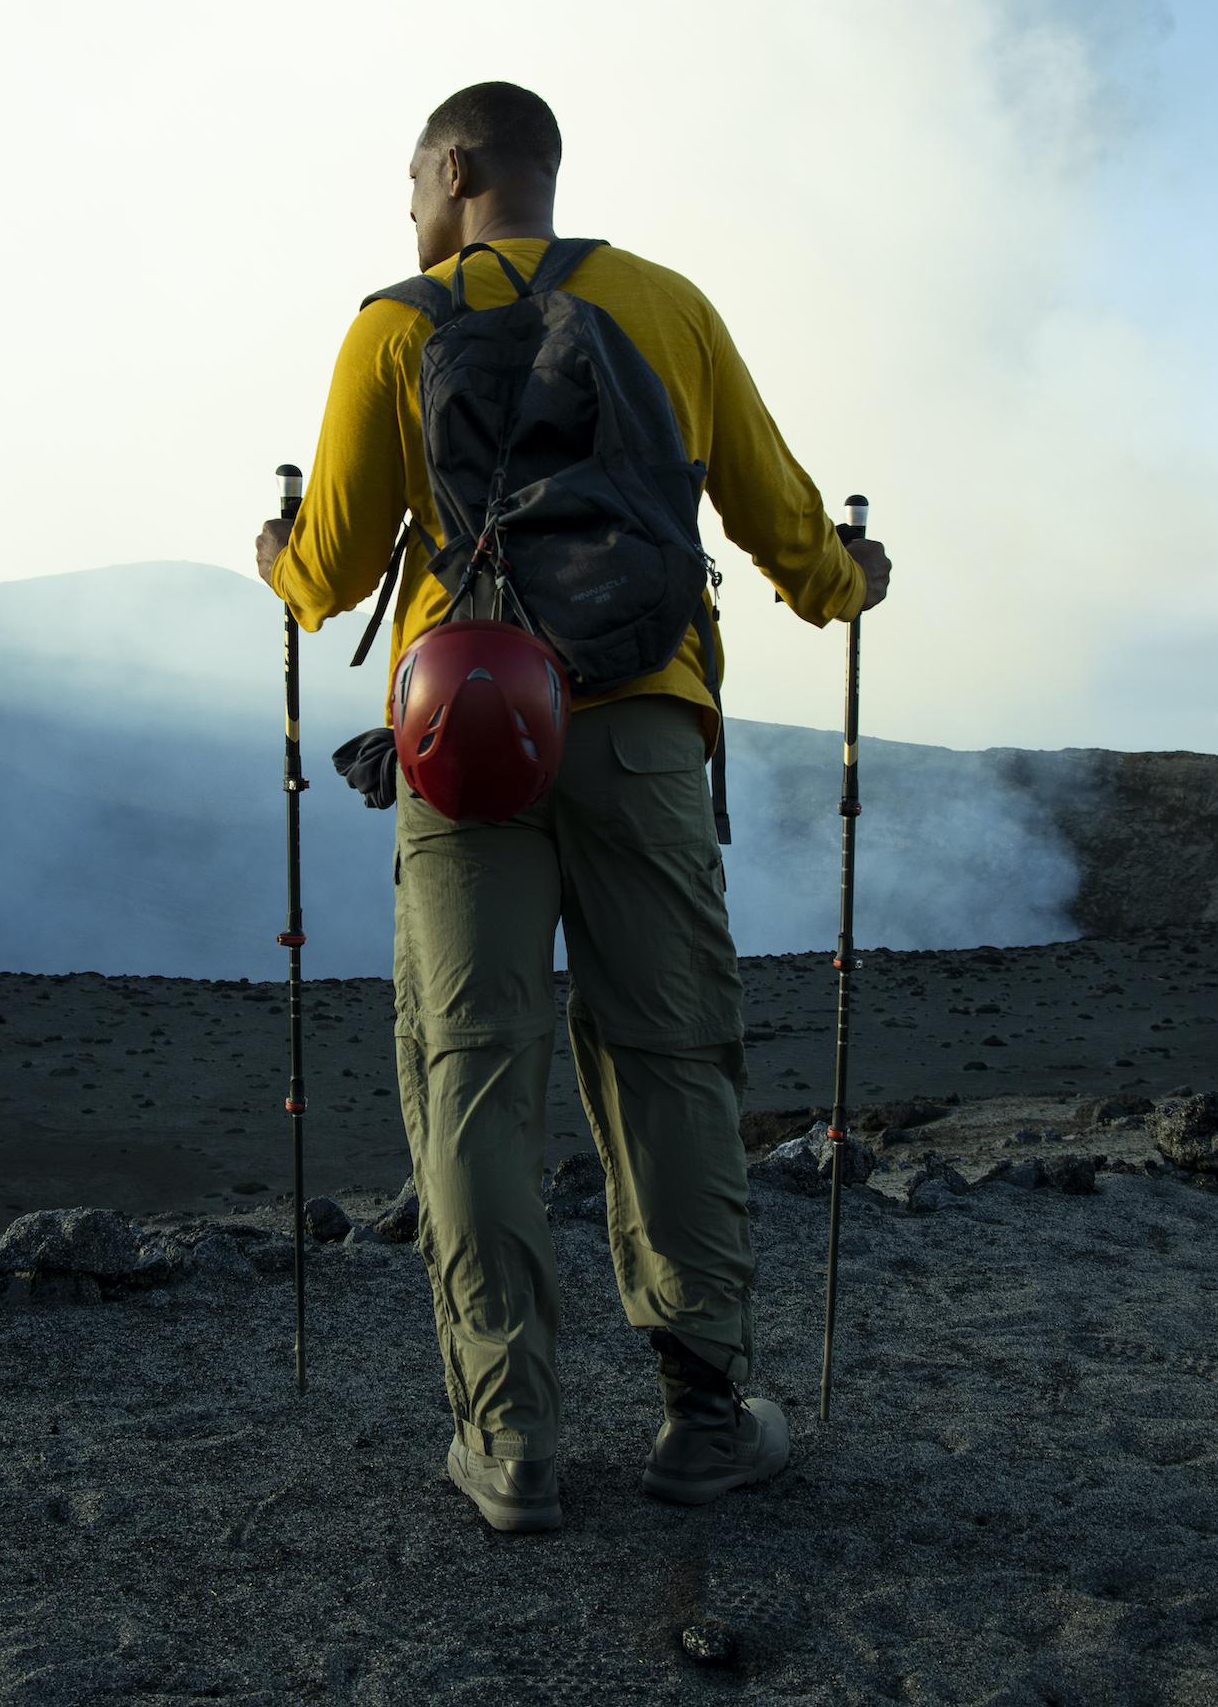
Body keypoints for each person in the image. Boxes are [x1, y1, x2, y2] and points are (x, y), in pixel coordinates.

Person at [255, 80, 890, 1534]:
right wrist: (853, 582)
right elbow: (783, 526)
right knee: (669, 1056)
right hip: (645, 733)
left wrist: (279, 551)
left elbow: (335, 571)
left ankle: (513, 1438)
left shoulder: (396, 324)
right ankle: (706, 1413)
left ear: (463, 171)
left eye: (416, 182)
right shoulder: (666, 306)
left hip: (468, 734)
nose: (410, 211)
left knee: (473, 1066)